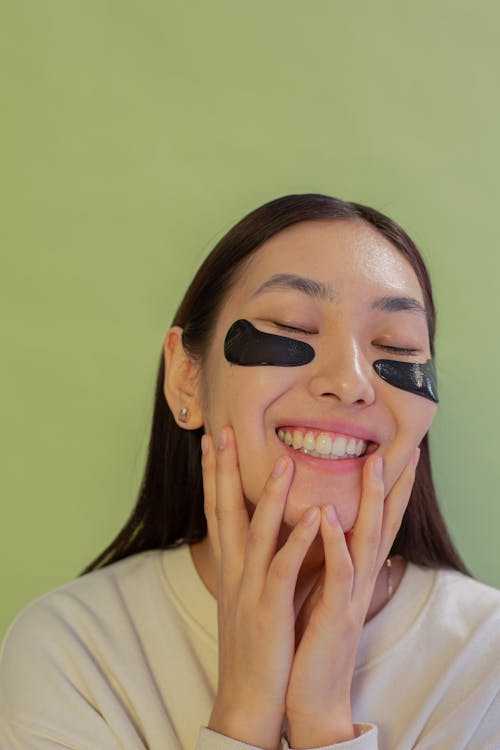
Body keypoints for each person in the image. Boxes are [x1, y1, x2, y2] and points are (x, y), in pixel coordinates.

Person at [0, 194, 499, 750]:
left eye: (397, 347)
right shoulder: (72, 653)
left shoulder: (485, 659)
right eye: (292, 325)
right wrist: (242, 713)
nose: (351, 381)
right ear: (187, 378)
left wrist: (324, 720)